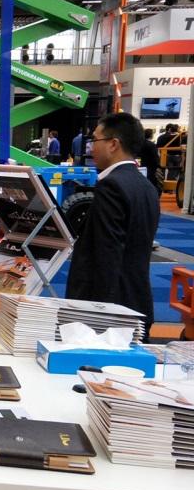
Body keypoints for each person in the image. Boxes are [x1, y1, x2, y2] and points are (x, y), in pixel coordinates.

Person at [66, 113, 161, 339]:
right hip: (135, 301)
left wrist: (96, 317)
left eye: (95, 140)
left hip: (107, 314)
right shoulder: (146, 186)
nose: (91, 148)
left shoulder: (112, 186)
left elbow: (106, 253)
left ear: (113, 144)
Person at [140, 128, 162, 194]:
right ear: (151, 135)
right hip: (151, 166)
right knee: (152, 181)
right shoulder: (152, 145)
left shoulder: (140, 144)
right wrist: (158, 165)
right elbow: (155, 156)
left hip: (142, 164)